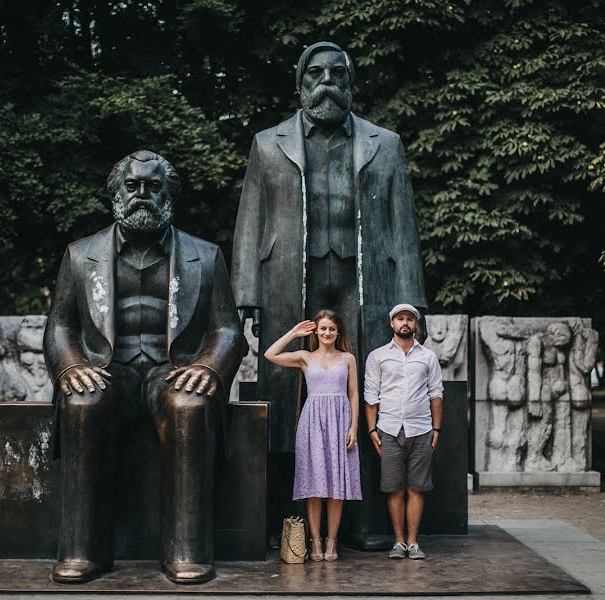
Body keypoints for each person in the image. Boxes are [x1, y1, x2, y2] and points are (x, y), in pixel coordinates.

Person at [231, 40, 427, 549]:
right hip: (287, 278)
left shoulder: (386, 142)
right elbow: (250, 218)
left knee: (365, 395)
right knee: (286, 399)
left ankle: (362, 524)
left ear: (351, 83)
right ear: (299, 84)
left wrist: (413, 301)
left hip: (368, 282)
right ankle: (288, 520)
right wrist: (246, 291)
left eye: (337, 74)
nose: (327, 82)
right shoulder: (267, 143)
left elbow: (403, 227)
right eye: (315, 73)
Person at [43, 150, 246, 584]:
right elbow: (60, 327)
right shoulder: (80, 255)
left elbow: (228, 330)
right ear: (116, 192)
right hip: (107, 368)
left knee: (189, 405)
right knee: (83, 401)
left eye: (153, 187)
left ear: (168, 194)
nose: (141, 194)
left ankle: (187, 551)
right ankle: (83, 551)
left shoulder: (205, 255)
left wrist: (209, 367)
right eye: (132, 185)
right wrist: (69, 368)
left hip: (171, 370)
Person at [263, 309, 362, 561]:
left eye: (331, 328)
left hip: (340, 421)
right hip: (313, 422)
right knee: (315, 485)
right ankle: (315, 541)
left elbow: (353, 394)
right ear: (316, 332)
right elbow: (269, 354)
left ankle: (332, 542)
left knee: (336, 487)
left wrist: (354, 427)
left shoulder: (348, 358)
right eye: (323, 328)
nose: (327, 332)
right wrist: (293, 333)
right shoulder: (305, 357)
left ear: (338, 331)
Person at [364, 304, 443, 560]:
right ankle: (398, 542)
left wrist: (437, 428)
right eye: (400, 319)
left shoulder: (428, 357)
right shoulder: (378, 356)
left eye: (410, 319)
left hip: (421, 428)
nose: (405, 323)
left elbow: (436, 393)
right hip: (388, 429)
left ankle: (413, 543)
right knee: (394, 489)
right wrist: (371, 429)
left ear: (415, 324)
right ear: (392, 324)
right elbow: (370, 395)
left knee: (417, 488)